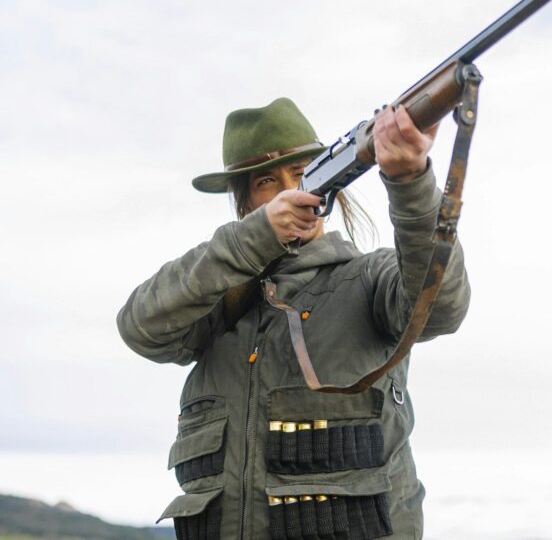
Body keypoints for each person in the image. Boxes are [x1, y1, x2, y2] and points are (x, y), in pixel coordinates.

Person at [117, 97, 470, 540]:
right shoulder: (217, 301)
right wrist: (253, 241)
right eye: (267, 180)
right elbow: (139, 325)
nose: (290, 189)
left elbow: (440, 307)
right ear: (245, 202)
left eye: (302, 173)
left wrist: (411, 181)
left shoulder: (370, 278)